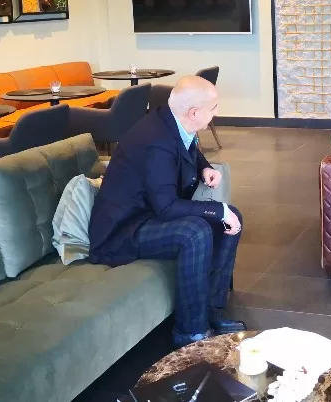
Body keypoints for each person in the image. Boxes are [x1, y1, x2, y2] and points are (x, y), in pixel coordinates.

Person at [88, 75, 245, 347]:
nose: (217, 112)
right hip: (124, 229)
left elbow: (186, 145)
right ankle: (190, 331)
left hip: (149, 213)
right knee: (195, 231)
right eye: (214, 107)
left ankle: (211, 311)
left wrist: (204, 167)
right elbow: (168, 207)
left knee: (231, 217)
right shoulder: (155, 141)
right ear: (194, 113)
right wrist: (217, 209)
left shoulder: (171, 119)